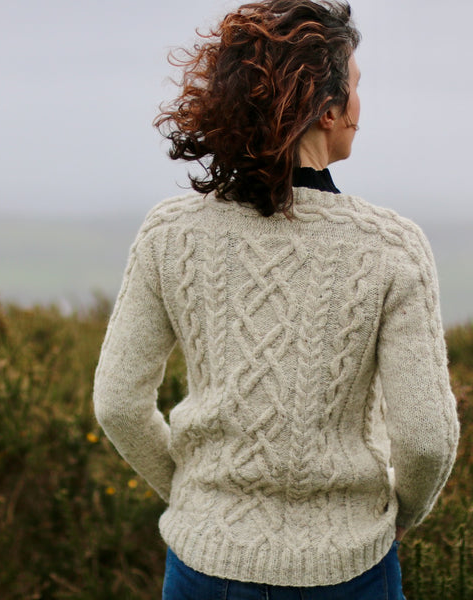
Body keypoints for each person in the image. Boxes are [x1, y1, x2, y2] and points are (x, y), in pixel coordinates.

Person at [93, 1, 460, 598]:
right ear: (328, 109)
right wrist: (399, 514)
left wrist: (197, 497)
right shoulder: (392, 249)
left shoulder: (169, 235)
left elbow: (117, 404)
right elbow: (425, 440)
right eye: (357, 87)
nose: (361, 107)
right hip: (350, 570)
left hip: (203, 568)